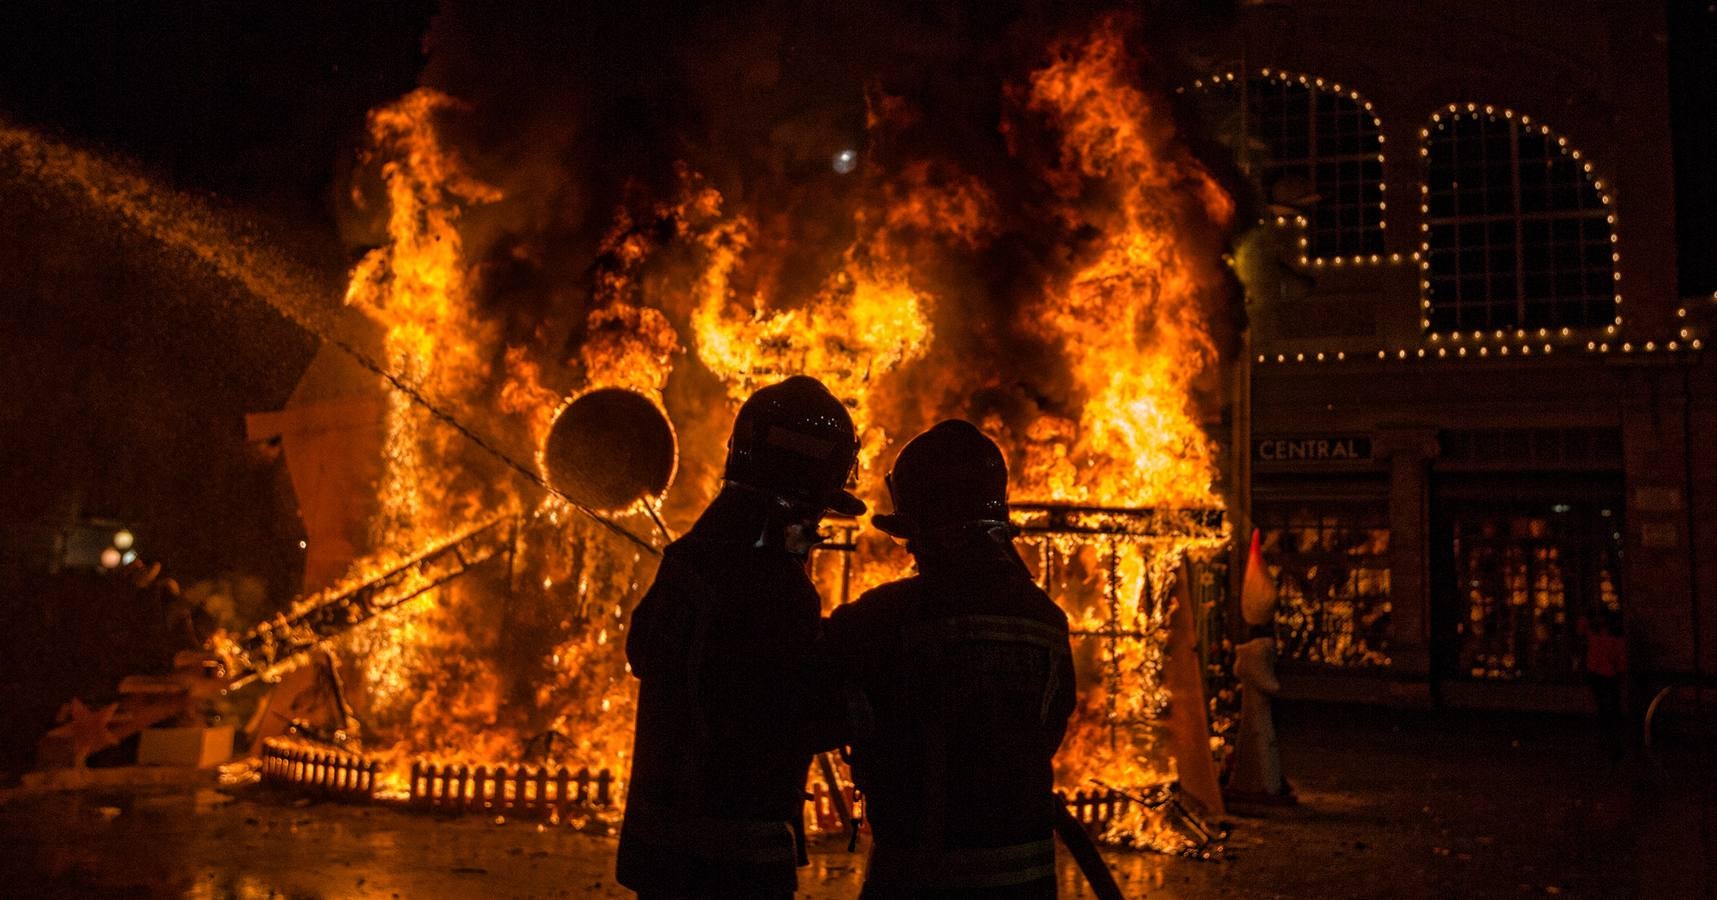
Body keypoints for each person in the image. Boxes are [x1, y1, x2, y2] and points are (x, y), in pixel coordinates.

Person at [616, 376, 864, 899]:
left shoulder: (689, 560)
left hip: (659, 853)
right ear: (797, 498)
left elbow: (648, 653)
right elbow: (779, 719)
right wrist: (855, 701)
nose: (816, 529)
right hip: (732, 858)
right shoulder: (777, 589)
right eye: (817, 513)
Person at [826, 420, 1076, 899]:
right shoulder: (1047, 620)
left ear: (928, 530)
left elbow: (809, 711)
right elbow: (1049, 732)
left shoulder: (882, 618)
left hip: (918, 880)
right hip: (1027, 881)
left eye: (911, 537)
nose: (912, 551)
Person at [1581, 612, 1628, 761]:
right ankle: (1612, 733)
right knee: (1611, 704)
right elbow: (1621, 660)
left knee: (1604, 704)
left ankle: (1608, 733)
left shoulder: (1595, 638)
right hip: (1608, 675)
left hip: (1599, 675)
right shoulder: (1615, 640)